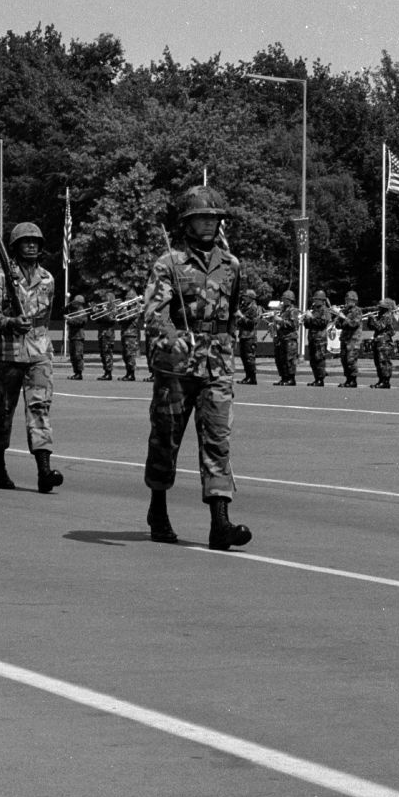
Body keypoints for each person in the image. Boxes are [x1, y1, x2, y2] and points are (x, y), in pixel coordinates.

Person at [142, 185, 251, 551]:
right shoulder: (169, 263)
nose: (209, 223)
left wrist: (239, 327)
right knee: (166, 439)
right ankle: (158, 509)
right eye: (201, 217)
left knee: (218, 440)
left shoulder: (232, 265)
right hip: (177, 366)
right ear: (187, 223)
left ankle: (219, 524)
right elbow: (155, 315)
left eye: (214, 217)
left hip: (217, 364)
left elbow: (231, 313)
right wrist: (173, 339)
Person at [0, 220, 62, 494]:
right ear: (15, 247)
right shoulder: (0, 277)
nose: (31, 245)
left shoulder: (48, 279)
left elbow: (46, 316)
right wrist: (9, 321)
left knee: (40, 408)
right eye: (25, 242)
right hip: (8, 352)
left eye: (35, 242)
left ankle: (44, 470)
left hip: (38, 352)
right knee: (3, 411)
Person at [333, 290, 363, 388]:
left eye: (349, 300)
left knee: (351, 360)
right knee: (344, 360)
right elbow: (338, 325)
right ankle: (348, 379)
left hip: (353, 339)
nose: (346, 301)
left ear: (354, 300)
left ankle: (353, 380)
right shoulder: (345, 311)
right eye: (346, 299)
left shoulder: (357, 310)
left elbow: (354, 324)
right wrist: (338, 315)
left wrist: (344, 317)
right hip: (345, 339)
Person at [301, 290, 331, 386]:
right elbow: (307, 325)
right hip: (312, 338)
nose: (315, 301)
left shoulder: (325, 310)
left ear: (322, 300)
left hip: (320, 339)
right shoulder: (314, 309)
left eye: (317, 299)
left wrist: (312, 318)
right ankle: (316, 378)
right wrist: (306, 318)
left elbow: (323, 323)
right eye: (315, 299)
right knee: (313, 360)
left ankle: (320, 379)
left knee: (319, 359)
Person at [270, 290, 299, 385]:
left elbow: (294, 325)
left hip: (289, 338)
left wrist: (281, 320)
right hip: (281, 338)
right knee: (280, 359)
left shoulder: (293, 310)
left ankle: (291, 378)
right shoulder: (282, 310)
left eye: (284, 299)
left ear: (289, 300)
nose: (282, 300)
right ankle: (284, 377)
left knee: (289, 359)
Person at [366, 299, 397, 389]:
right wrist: (369, 319)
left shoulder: (387, 315)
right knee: (378, 362)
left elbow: (380, 327)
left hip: (384, 342)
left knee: (384, 362)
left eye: (381, 307)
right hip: (378, 341)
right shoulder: (380, 315)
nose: (379, 308)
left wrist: (373, 318)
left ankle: (385, 381)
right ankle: (381, 380)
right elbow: (372, 327)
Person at [234, 288, 261, 384]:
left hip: (250, 336)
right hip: (243, 335)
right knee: (244, 357)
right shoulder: (244, 306)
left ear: (250, 298)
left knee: (249, 357)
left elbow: (252, 323)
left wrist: (241, 316)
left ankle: (252, 377)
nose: (243, 298)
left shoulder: (253, 308)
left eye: (245, 296)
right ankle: (247, 376)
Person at [117, 287, 143, 381]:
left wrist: (123, 307)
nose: (126, 300)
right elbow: (119, 320)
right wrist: (121, 308)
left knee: (130, 355)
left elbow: (127, 318)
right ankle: (128, 373)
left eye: (128, 298)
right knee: (125, 355)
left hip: (131, 335)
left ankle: (131, 374)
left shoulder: (136, 307)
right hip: (125, 333)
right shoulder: (128, 307)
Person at [94, 289, 116, 381]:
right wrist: (95, 311)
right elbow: (98, 320)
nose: (104, 300)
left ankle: (108, 373)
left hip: (108, 334)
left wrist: (104, 310)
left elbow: (110, 319)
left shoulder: (113, 308)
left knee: (107, 354)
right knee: (103, 354)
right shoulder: (105, 309)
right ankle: (106, 372)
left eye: (107, 299)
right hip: (102, 334)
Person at [65, 294, 86, 380]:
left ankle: (79, 373)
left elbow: (79, 322)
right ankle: (75, 372)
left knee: (78, 355)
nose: (74, 304)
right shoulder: (74, 311)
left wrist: (68, 319)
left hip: (78, 336)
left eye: (76, 302)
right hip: (73, 336)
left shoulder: (82, 312)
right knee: (73, 355)